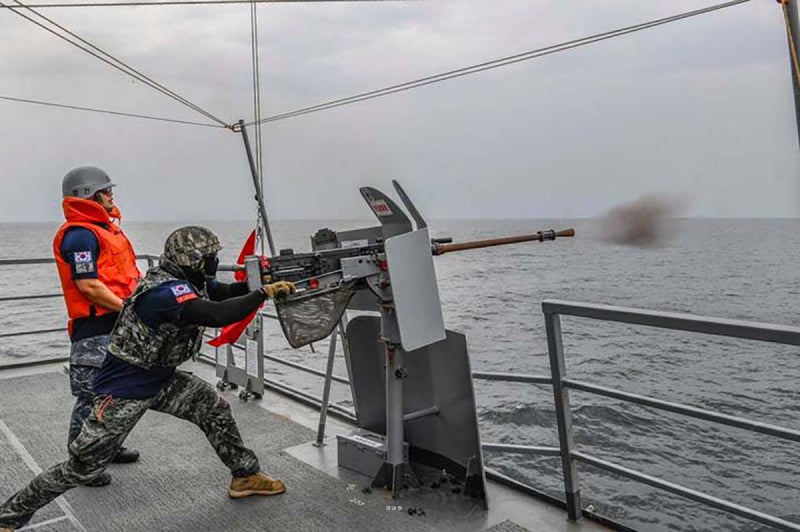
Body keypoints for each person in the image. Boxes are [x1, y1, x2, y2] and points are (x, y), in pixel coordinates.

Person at [0, 226, 296, 531]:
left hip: (160, 377)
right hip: (125, 387)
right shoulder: (163, 293)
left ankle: (245, 475)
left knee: (212, 407)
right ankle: (8, 517)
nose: (214, 262)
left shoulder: (189, 280)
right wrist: (263, 294)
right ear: (193, 259)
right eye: (210, 257)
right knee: (82, 468)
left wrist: (258, 284)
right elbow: (217, 314)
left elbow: (222, 292)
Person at [53, 165, 142, 487]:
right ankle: (81, 463)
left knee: (116, 393)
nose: (111, 195)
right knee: (91, 396)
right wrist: (129, 309)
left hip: (116, 323)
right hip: (94, 329)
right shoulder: (80, 235)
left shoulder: (104, 230)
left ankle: (107, 446)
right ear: (87, 194)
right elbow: (88, 285)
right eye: (105, 190)